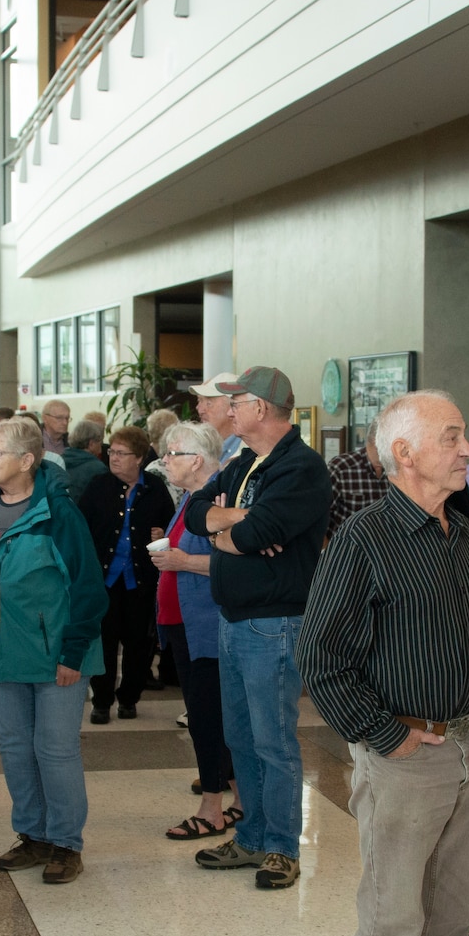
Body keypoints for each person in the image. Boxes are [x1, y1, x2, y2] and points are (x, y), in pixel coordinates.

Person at [300, 392, 469, 936]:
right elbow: (320, 658)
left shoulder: (463, 533)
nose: (466, 448)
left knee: (450, 913)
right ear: (406, 454)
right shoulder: (365, 539)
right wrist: (381, 736)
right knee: (393, 918)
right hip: (406, 753)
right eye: (450, 436)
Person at [183, 367, 333, 890]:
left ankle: (281, 848)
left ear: (262, 409)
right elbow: (196, 514)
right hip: (234, 618)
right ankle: (251, 838)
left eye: (236, 401)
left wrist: (236, 528)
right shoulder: (245, 460)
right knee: (240, 737)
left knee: (273, 741)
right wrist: (234, 521)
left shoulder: (303, 468)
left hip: (275, 622)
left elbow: (260, 535)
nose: (227, 409)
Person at [0, 417, 107, 886]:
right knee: (14, 748)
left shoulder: (58, 512)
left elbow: (89, 589)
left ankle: (66, 843)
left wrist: (73, 653)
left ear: (27, 460)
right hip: (3, 653)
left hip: (59, 656)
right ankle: (32, 835)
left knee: (54, 750)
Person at [153, 421, 238, 839]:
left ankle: (211, 809)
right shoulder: (190, 498)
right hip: (184, 623)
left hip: (205, 625)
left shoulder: (219, 501)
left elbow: (234, 564)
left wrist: (182, 562)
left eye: (172, 454)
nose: (165, 461)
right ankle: (241, 799)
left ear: (196, 460)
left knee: (206, 719)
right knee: (213, 717)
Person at [81, 427, 174, 724]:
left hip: (141, 580)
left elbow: (170, 527)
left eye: (121, 453)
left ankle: (129, 698)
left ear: (140, 458)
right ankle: (102, 700)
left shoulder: (155, 488)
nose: (114, 458)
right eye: (112, 452)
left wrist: (163, 532)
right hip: (104, 580)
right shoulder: (98, 485)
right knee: (104, 642)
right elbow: (82, 528)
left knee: (138, 643)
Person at [327, 433, 390, 538]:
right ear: (373, 440)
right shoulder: (342, 467)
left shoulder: (397, 469)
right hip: (348, 546)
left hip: (386, 547)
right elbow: (321, 513)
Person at [191, 373, 241, 462]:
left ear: (233, 406)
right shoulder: (205, 448)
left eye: (209, 403)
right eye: (199, 401)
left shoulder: (248, 450)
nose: (200, 409)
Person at [63, 417, 109, 504]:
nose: (101, 449)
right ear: (91, 444)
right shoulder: (98, 469)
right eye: (100, 443)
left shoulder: (59, 460)